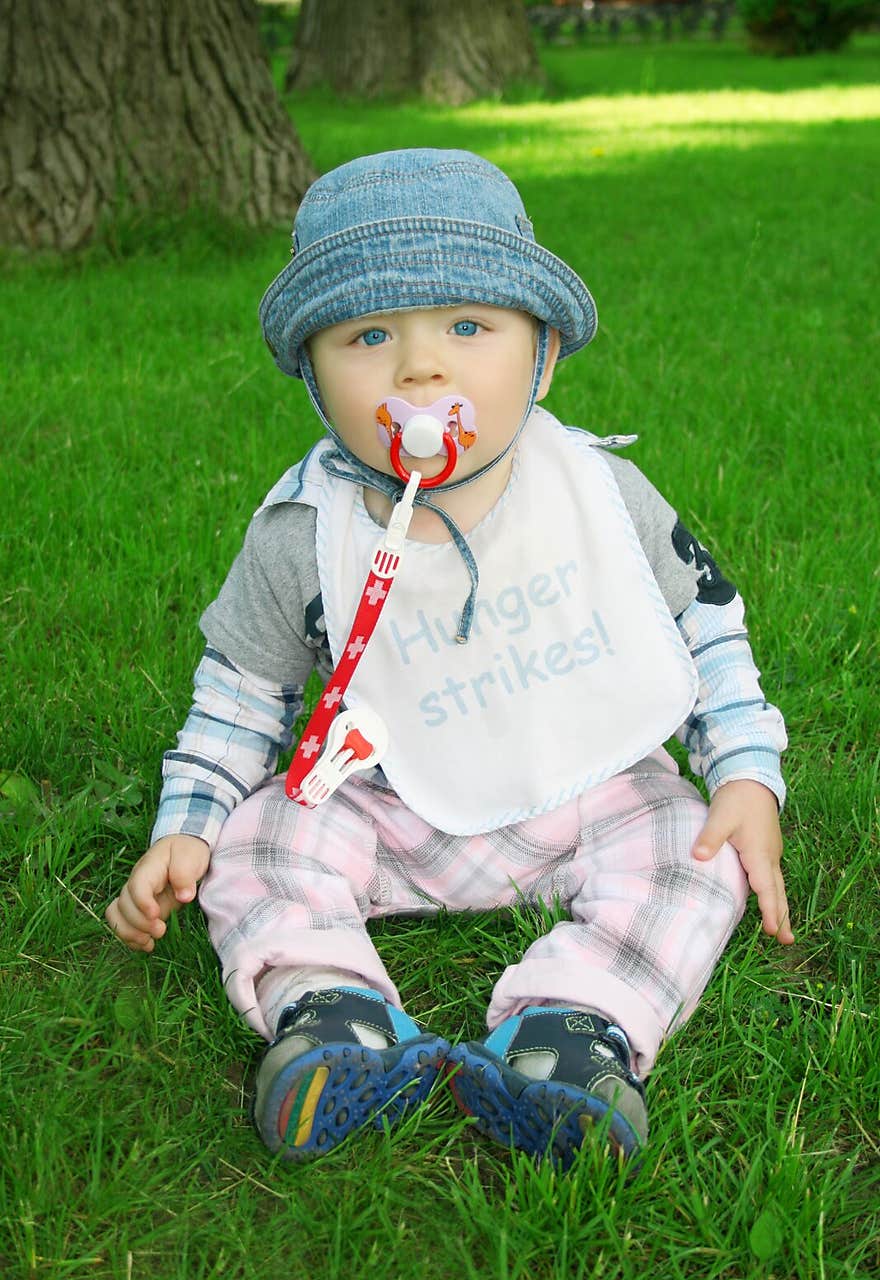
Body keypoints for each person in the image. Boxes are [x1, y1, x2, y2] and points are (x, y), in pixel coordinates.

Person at [106, 148, 791, 1171]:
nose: (420, 369)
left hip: (587, 783)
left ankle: (573, 1033)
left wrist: (745, 772)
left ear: (542, 353)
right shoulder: (304, 533)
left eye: (468, 327)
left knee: (692, 849)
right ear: (311, 374)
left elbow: (707, 630)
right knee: (262, 839)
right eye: (368, 335)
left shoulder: (600, 496)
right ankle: (332, 1014)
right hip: (384, 800)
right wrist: (190, 827)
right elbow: (240, 697)